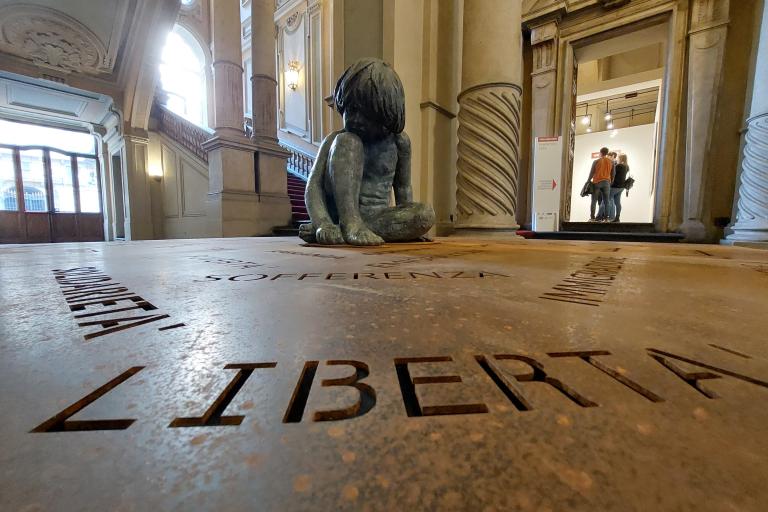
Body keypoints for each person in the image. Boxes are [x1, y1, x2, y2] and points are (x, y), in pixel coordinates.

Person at [299, 58, 434, 245]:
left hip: (377, 217)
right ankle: (350, 224)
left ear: (388, 113)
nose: (355, 119)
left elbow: (403, 188)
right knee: (348, 141)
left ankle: (346, 229)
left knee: (425, 214)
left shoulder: (399, 142)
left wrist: (411, 225)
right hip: (341, 215)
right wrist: (322, 223)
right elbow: (313, 187)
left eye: (366, 113)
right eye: (351, 109)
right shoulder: (337, 139)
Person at [588, 147, 614, 221]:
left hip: (597, 182)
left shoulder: (596, 161)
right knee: (606, 201)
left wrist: (588, 181)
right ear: (607, 153)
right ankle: (606, 218)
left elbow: (591, 173)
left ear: (600, 152)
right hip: (606, 183)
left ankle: (592, 218)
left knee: (594, 201)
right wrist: (610, 182)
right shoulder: (611, 162)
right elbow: (613, 174)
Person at [608, 154, 629, 222]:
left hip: (615, 186)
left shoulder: (618, 166)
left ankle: (610, 217)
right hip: (622, 187)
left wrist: (613, 163)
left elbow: (612, 172)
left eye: (617, 158)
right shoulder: (627, 166)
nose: (616, 159)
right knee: (617, 202)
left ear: (621, 158)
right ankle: (617, 217)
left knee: (609, 199)